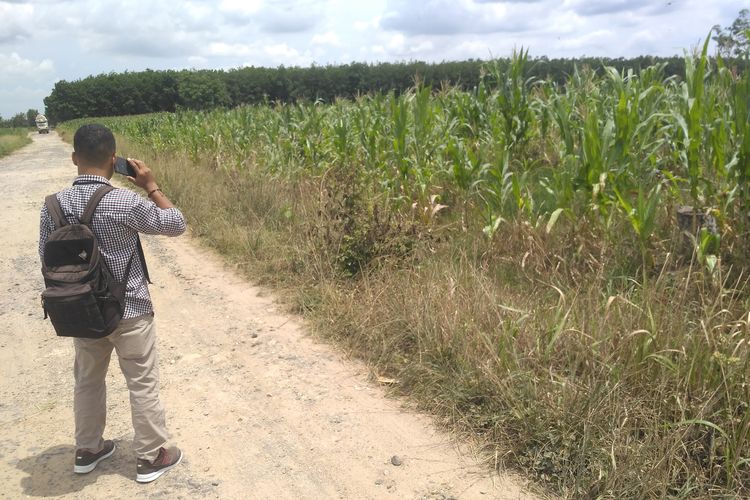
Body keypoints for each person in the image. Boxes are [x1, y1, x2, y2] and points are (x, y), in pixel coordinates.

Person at [38, 124, 186, 483]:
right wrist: (150, 185)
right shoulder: (124, 200)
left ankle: (88, 449)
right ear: (113, 160)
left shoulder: (52, 206)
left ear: (74, 158)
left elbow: (45, 256)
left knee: (87, 381)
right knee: (142, 382)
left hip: (81, 310)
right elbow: (176, 224)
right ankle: (152, 456)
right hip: (130, 309)